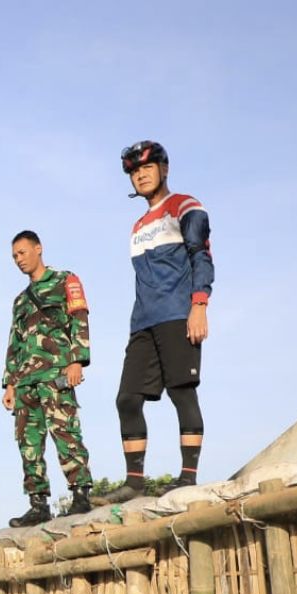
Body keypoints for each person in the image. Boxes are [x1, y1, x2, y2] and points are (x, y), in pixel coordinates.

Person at [99, 141, 214, 504]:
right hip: (142, 323)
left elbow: (202, 256)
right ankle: (135, 482)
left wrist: (199, 304)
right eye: (134, 171)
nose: (141, 174)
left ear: (164, 168)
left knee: (182, 392)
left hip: (178, 314)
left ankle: (187, 477)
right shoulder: (137, 225)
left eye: (148, 167)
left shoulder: (184, 205)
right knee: (127, 399)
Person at [1, 230, 94, 527]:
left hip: (56, 374)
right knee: (28, 444)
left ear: (38, 249)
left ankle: (80, 495)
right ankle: (38, 504)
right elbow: (14, 342)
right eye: (14, 256)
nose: (18, 260)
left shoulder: (65, 280)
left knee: (66, 433)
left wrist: (77, 360)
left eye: (23, 253)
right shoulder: (19, 301)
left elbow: (79, 318)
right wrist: (10, 383)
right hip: (26, 382)